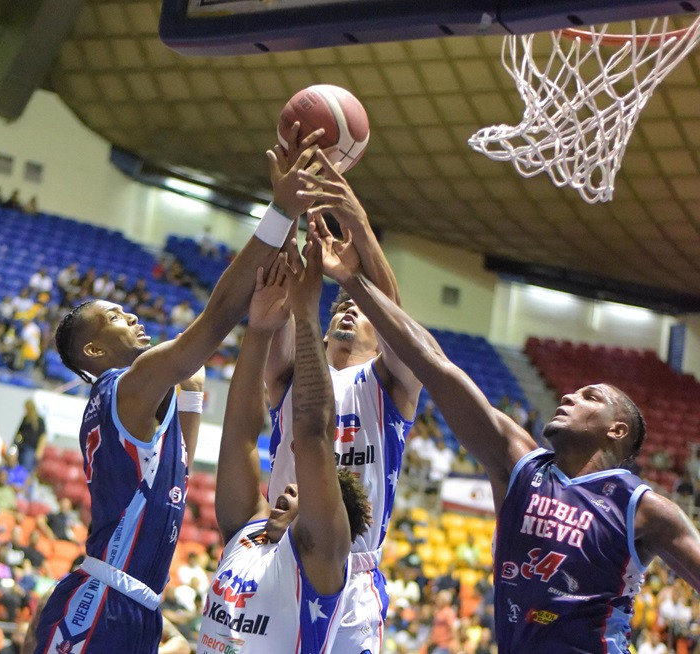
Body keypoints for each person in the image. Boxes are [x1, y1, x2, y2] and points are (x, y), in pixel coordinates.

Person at [314, 214, 700, 654]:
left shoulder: (644, 508)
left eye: (590, 397)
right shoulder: (520, 464)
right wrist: (356, 281)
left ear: (617, 429)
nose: (570, 396)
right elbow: (436, 367)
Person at [32, 130, 323, 654]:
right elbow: (212, 326)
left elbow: (189, 410)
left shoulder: (143, 404)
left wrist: (284, 245)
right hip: (98, 606)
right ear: (94, 352)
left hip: (140, 610)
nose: (132, 316)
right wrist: (280, 213)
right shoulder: (122, 386)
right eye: (114, 318)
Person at [264, 151, 422, 652]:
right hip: (281, 555)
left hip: (353, 575)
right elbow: (283, 291)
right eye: (342, 305)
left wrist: (359, 223)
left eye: (360, 308)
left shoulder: (388, 385)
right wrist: (286, 209)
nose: (349, 310)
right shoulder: (294, 374)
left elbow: (397, 318)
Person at [196, 239, 371, 652]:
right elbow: (238, 436)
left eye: (302, 492)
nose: (290, 488)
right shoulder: (248, 533)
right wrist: (257, 330)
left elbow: (312, 437)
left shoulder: (319, 563)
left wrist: (306, 312)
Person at [14, 400, 46, 473]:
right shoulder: (25, 419)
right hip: (21, 447)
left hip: (31, 449)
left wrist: (39, 451)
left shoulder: (39, 420)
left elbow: (43, 437)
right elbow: (19, 433)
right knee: (19, 467)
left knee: (26, 470)